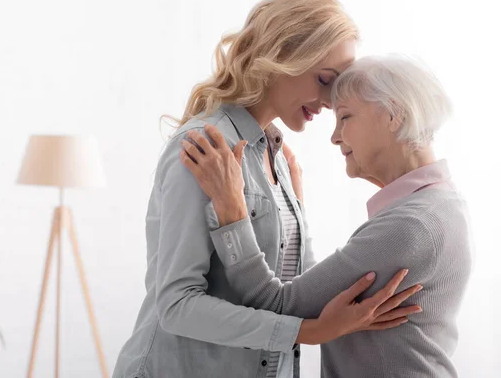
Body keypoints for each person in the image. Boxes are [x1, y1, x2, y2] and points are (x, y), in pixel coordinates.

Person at [113, 0, 421, 378]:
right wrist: (309, 332)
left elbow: (290, 288)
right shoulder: (206, 148)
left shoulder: (277, 156)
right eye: (325, 80)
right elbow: (176, 305)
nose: (330, 102)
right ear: (283, 54)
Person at [180, 54, 472, 377]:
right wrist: (294, 213)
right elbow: (321, 292)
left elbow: (275, 304)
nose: (334, 137)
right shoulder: (440, 204)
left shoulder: (411, 226)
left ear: (393, 114)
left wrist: (232, 211)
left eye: (345, 117)